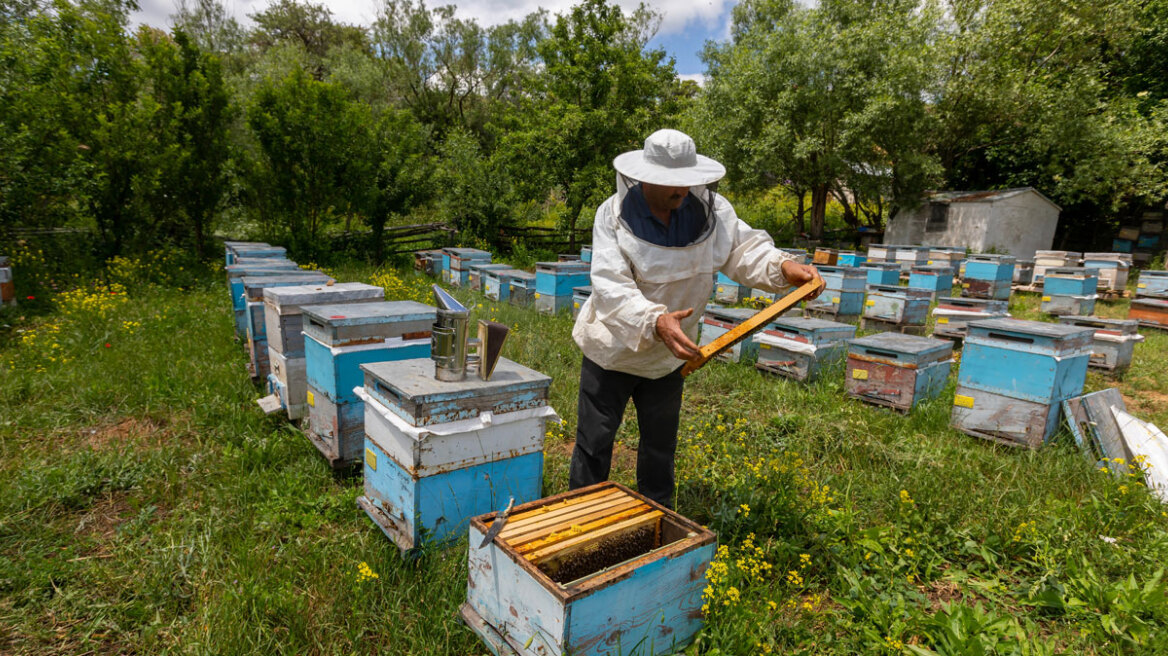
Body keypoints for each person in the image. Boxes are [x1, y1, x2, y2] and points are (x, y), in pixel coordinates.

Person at [569, 129, 823, 508]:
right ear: (646, 177)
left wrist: (783, 267)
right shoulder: (612, 215)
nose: (683, 191)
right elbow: (611, 285)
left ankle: (658, 519)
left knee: (660, 449)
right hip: (613, 353)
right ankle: (578, 516)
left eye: (688, 182)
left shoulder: (713, 212)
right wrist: (654, 321)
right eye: (673, 183)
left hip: (671, 356)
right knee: (595, 442)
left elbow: (742, 250)